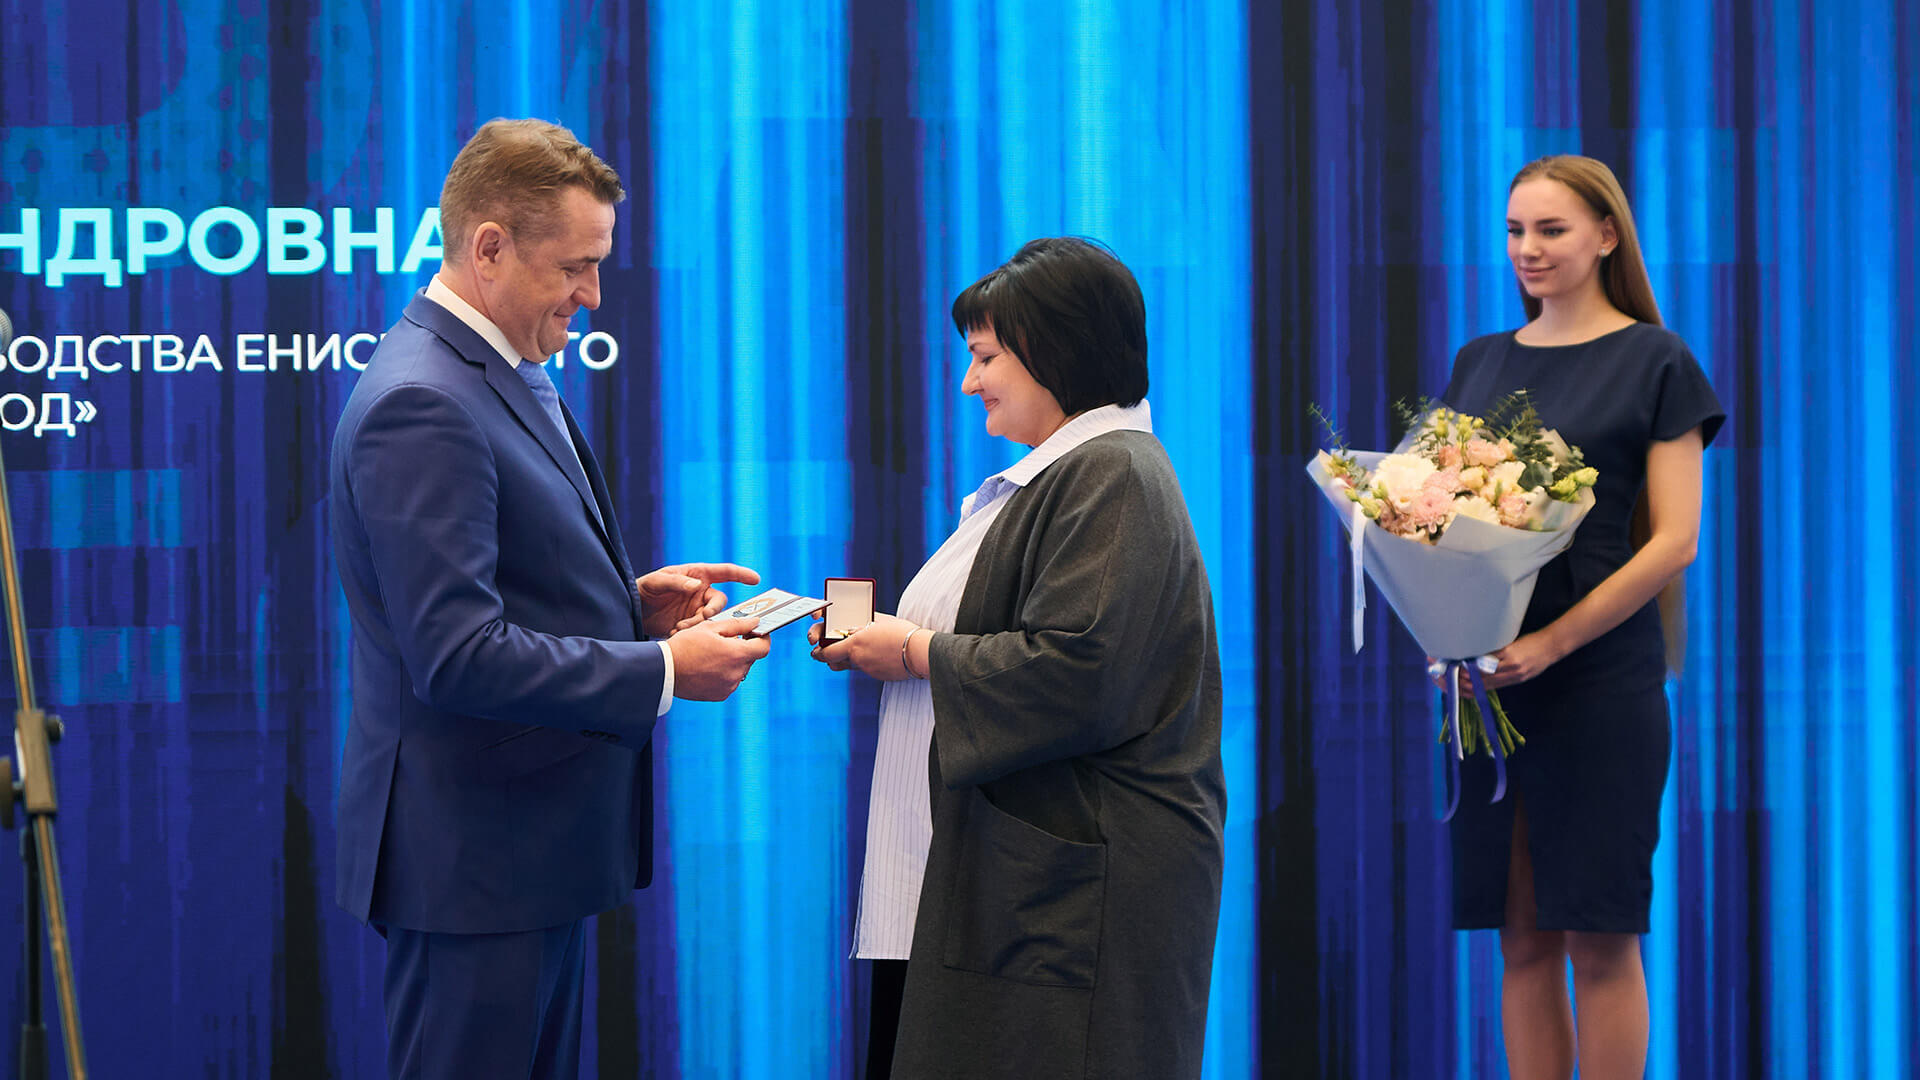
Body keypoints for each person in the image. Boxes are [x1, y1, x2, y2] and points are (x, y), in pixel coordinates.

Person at [329, 118, 770, 1080]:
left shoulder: (490, 372)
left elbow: (501, 589)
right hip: (475, 867)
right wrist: (664, 670)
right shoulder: (425, 401)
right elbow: (457, 655)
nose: (594, 295)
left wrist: (628, 610)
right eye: (576, 266)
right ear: (489, 248)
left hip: (520, 862)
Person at [811, 237, 1226, 1079]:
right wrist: (901, 646)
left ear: (1055, 350)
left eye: (986, 357)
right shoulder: (1074, 474)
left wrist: (914, 650)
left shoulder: (1112, 473)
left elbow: (1079, 672)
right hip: (1013, 887)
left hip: (1062, 895)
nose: (970, 383)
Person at [1441, 155, 1724, 1080]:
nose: (1528, 248)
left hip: (1601, 683)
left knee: (1600, 938)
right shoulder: (1479, 361)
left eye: (1550, 230)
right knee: (1520, 937)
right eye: (1515, 230)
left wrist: (1551, 643)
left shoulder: (1656, 360)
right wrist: (1446, 634)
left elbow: (1675, 541)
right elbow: (1433, 524)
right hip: (1492, 689)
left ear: (1607, 236)